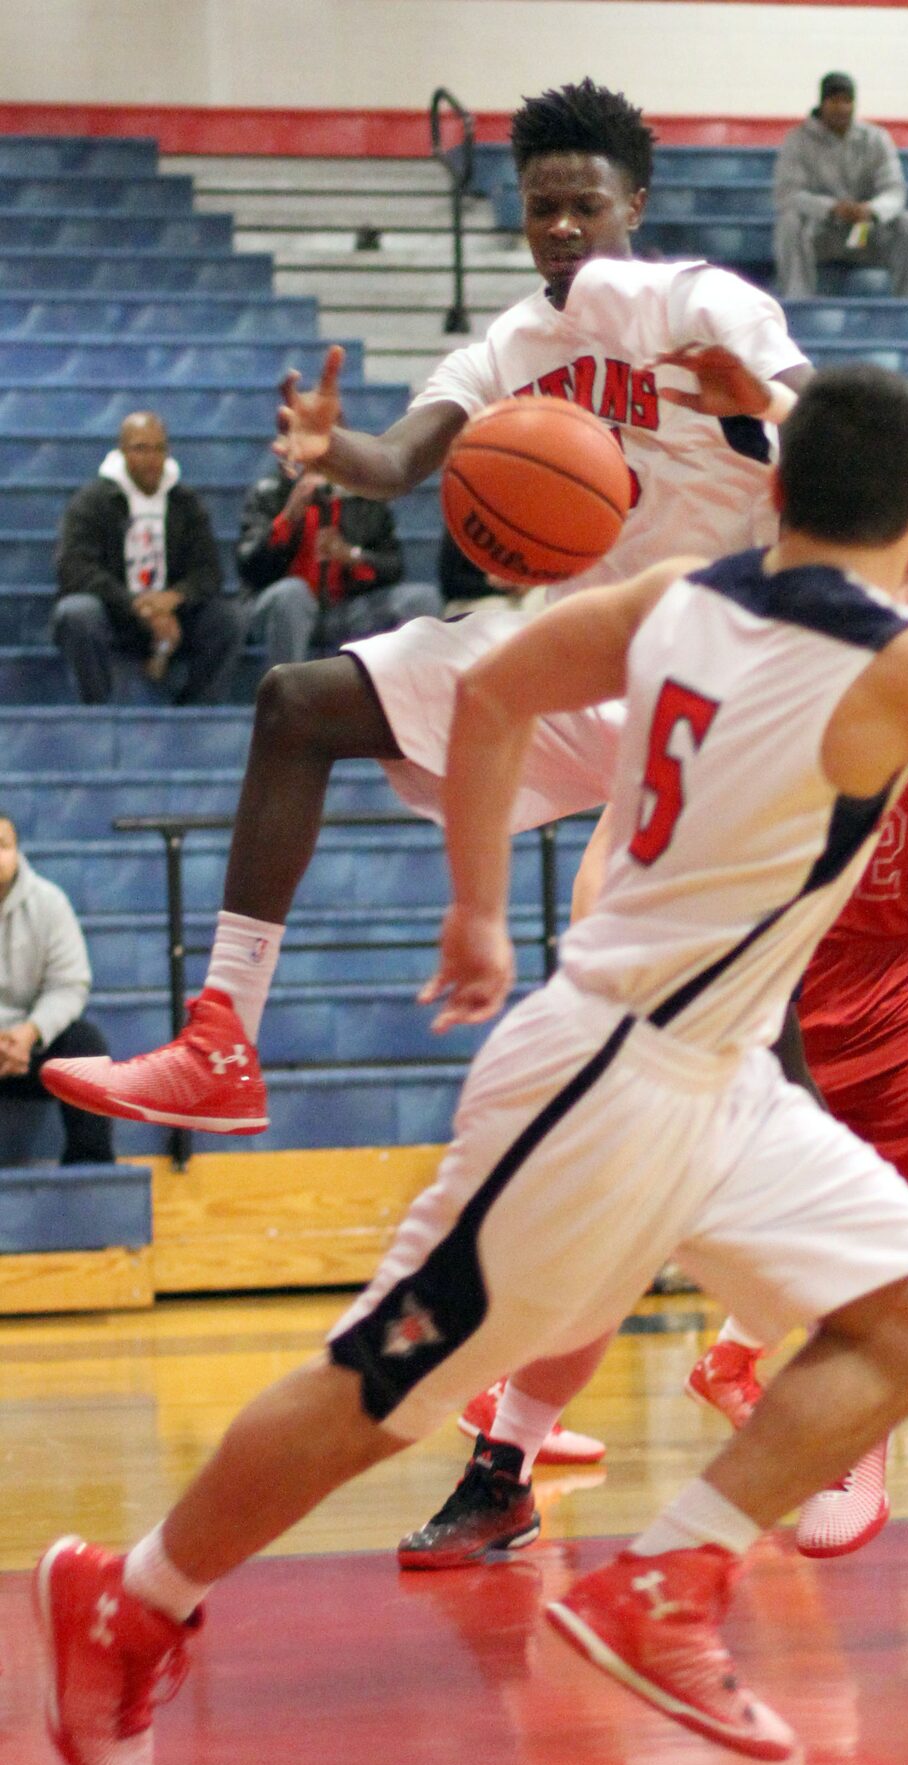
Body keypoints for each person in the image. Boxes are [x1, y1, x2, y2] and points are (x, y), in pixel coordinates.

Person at [32, 364, 908, 1765]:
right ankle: (133, 1591)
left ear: (775, 490)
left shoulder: (683, 597)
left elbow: (499, 686)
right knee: (383, 1384)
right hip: (607, 1072)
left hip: (717, 1080)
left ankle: (666, 1578)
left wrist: (475, 908)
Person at [42, 79, 813, 1137]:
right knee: (297, 702)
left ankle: (822, 1220)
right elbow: (401, 460)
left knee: (752, 1020)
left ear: (634, 202)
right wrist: (329, 452)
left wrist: (763, 402)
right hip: (574, 662)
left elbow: (837, 440)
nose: (559, 227)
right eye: (540, 205)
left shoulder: (706, 307)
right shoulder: (507, 346)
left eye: (583, 203)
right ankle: (220, 1039)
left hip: (724, 671)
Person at [400, 573, 908, 1577]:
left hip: (899, 973)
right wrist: (618, 960)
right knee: (617, 1222)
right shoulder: (738, 629)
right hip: (746, 979)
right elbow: (616, 839)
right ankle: (505, 1464)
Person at [50, 412, 245, 707]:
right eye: (141, 448)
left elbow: (208, 572)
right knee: (76, 613)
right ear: (122, 452)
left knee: (229, 619)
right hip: (114, 615)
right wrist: (137, 606)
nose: (152, 458)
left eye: (159, 448)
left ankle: (195, 714)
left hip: (174, 617)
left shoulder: (186, 503)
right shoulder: (91, 502)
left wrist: (174, 598)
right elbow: (75, 569)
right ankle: (97, 714)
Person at [237, 467, 442, 670]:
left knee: (423, 599)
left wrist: (352, 556)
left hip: (344, 609)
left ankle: (413, 695)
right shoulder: (270, 491)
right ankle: (284, 695)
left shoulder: (364, 497)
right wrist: (287, 519)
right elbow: (248, 567)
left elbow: (394, 567)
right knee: (293, 593)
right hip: (280, 610)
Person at [0, 813, 113, 1167]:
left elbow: (69, 984)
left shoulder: (50, 903)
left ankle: (90, 1171)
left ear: (17, 851)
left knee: (85, 1044)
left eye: (2, 846)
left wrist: (30, 1032)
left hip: (31, 1046)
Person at [772, 73, 908, 300]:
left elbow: (895, 190)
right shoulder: (798, 140)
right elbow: (787, 194)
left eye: (847, 100)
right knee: (790, 222)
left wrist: (872, 210)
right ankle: (797, 304)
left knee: (907, 223)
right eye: (834, 100)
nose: (841, 107)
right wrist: (832, 208)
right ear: (822, 103)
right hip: (821, 237)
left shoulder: (876, 139)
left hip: (866, 235)